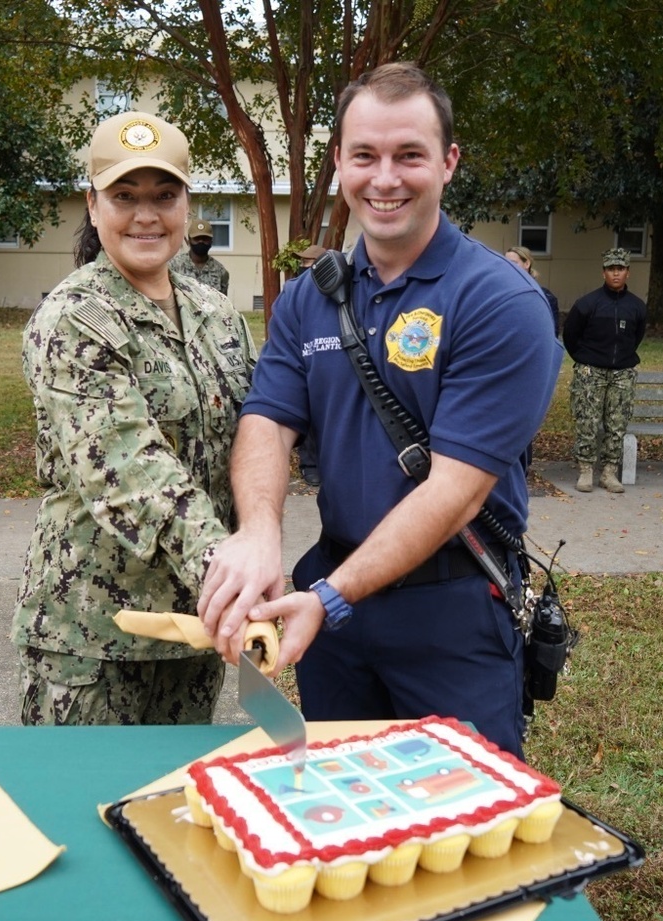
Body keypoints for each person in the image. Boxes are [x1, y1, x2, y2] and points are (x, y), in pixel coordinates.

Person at [198, 63, 562, 760]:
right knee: (342, 808)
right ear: (339, 161)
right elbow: (268, 419)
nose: (384, 179)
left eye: (409, 156)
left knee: (461, 824)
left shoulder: (500, 303)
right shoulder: (310, 296)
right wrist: (258, 534)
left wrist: (331, 598)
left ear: (449, 163)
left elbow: (454, 490)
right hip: (332, 621)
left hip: (450, 615)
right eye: (364, 155)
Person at [11, 111, 257, 727]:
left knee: (170, 809)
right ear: (93, 206)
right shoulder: (73, 317)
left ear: (186, 205)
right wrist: (231, 574)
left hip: (192, 632)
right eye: (125, 196)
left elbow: (257, 437)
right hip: (91, 636)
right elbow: (128, 470)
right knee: (75, 814)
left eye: (163, 196)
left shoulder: (218, 313)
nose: (146, 215)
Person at [563, 247, 647, 494]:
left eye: (620, 269)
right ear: (603, 272)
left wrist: (621, 359)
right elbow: (570, 335)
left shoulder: (637, 307)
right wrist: (584, 359)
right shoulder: (588, 304)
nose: (616, 273)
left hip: (622, 373)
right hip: (591, 372)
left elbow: (637, 337)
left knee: (617, 423)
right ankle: (586, 470)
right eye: (611, 269)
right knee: (587, 421)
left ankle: (609, 472)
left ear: (628, 273)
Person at [291, 244, 326, 487]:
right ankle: (309, 464)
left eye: (308, 264)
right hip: (300, 357)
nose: (302, 268)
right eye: (301, 263)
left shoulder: (333, 292)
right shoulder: (294, 293)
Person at [504, 245, 560, 335]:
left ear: (527, 264)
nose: (509, 267)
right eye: (505, 263)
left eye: (513, 263)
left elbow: (552, 332)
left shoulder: (544, 296)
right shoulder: (500, 293)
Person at [168, 217, 230, 295]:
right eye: (197, 238)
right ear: (189, 240)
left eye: (205, 238)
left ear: (211, 241)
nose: (201, 241)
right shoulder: (173, 267)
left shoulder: (221, 272)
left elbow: (223, 304)